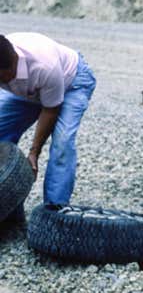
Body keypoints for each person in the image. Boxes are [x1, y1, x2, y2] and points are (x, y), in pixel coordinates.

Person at [0, 33, 96, 213]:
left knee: (62, 143)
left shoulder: (44, 66)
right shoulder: (5, 65)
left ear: (13, 65)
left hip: (71, 82)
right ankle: (6, 203)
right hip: (28, 89)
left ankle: (54, 212)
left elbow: (50, 110)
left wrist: (34, 152)